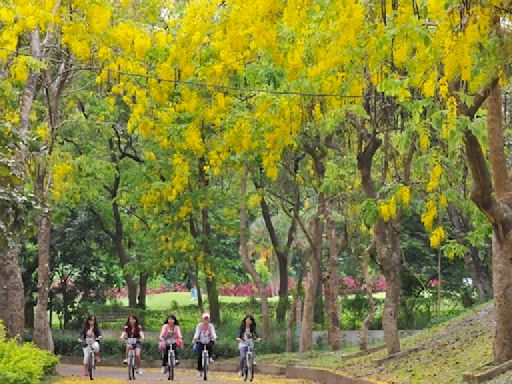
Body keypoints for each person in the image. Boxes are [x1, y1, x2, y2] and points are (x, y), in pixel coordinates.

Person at [193, 312, 217, 377]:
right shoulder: (199, 325)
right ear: (202, 319)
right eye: (204, 319)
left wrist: (214, 337)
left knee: (210, 345)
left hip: (208, 340)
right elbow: (197, 333)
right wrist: (195, 338)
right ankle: (199, 370)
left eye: (207, 319)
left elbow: (213, 332)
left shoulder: (210, 326)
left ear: (209, 319)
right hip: (201, 341)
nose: (206, 320)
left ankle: (209, 357)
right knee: (199, 355)